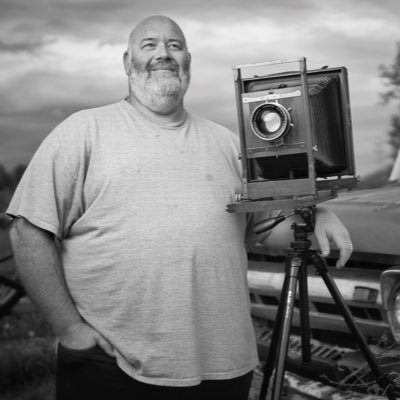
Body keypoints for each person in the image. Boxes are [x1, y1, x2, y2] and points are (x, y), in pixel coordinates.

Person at [7, 15, 353, 400]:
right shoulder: (83, 130)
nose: (163, 54)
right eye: (149, 45)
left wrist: (315, 213)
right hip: (112, 364)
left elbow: (267, 227)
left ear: (188, 60)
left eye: (174, 46)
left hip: (223, 367)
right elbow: (27, 230)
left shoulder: (229, 144)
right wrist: (70, 329)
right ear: (127, 62)